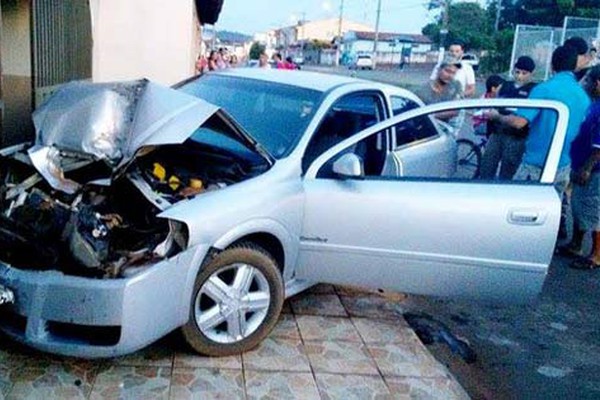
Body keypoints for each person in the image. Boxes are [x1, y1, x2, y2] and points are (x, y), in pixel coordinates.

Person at [489, 45, 591, 196]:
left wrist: (497, 116)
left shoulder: (543, 89)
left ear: (552, 65)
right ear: (574, 66)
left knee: (519, 204)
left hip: (537, 163)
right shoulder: (583, 95)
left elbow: (519, 122)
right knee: (551, 208)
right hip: (564, 163)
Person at [557, 66, 600, 269]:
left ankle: (597, 254)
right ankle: (576, 243)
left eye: (587, 81)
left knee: (593, 209)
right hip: (580, 163)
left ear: (597, 83)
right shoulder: (593, 104)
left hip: (594, 169)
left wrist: (587, 168)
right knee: (578, 204)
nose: (585, 84)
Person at [479, 56, 537, 180]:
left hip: (516, 136)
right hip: (497, 133)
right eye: (517, 72)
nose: (520, 76)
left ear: (531, 74)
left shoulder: (533, 90)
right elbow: (494, 105)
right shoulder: (505, 86)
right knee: (487, 166)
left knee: (508, 170)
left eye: (524, 73)